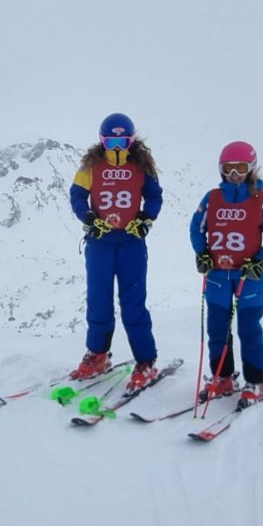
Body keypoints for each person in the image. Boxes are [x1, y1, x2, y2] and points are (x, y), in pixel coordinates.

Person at [68, 112, 163, 393]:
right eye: (111, 142)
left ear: (132, 141)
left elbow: (155, 196)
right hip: (100, 242)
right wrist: (88, 218)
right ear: (102, 141)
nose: (118, 148)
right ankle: (98, 354)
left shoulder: (142, 165)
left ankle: (146, 361)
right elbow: (77, 194)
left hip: (131, 243)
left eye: (123, 142)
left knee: (133, 303)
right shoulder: (91, 166)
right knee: (98, 300)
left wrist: (145, 219)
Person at [190, 140, 263, 409]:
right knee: (217, 329)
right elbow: (196, 229)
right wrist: (202, 253)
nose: (234, 174)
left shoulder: (261, 199)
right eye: (228, 168)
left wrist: (262, 261)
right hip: (218, 275)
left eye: (241, 168)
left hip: (249, 276)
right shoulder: (212, 198)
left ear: (252, 168)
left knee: (249, 328)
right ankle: (222, 378)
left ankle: (257, 381)